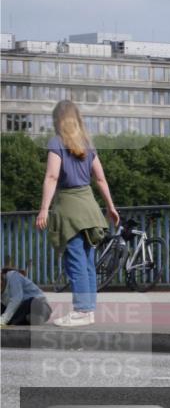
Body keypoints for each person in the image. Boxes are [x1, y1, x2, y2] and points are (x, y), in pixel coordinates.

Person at [35, 100, 119, 327]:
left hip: (70, 208)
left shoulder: (56, 143)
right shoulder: (87, 144)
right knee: (88, 261)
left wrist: (43, 209)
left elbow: (52, 177)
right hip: (90, 208)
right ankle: (88, 311)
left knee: (76, 261)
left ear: (57, 120)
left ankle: (81, 311)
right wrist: (111, 206)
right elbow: (100, 178)